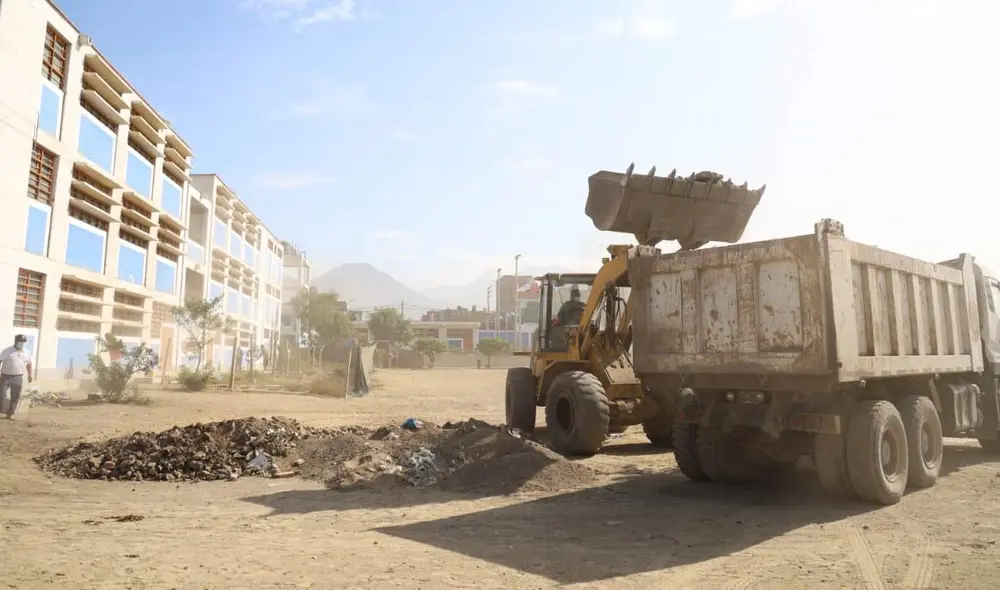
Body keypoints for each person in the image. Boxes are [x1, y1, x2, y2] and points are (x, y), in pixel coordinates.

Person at [0, 334, 33, 420]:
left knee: (16, 396)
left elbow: (29, 363)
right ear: (16, 342)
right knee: (1, 394)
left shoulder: (26, 352)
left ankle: (10, 413)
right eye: (20, 342)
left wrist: (30, 375)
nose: (22, 344)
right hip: (6, 376)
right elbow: (0, 361)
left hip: (18, 377)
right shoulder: (7, 351)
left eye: (23, 342)